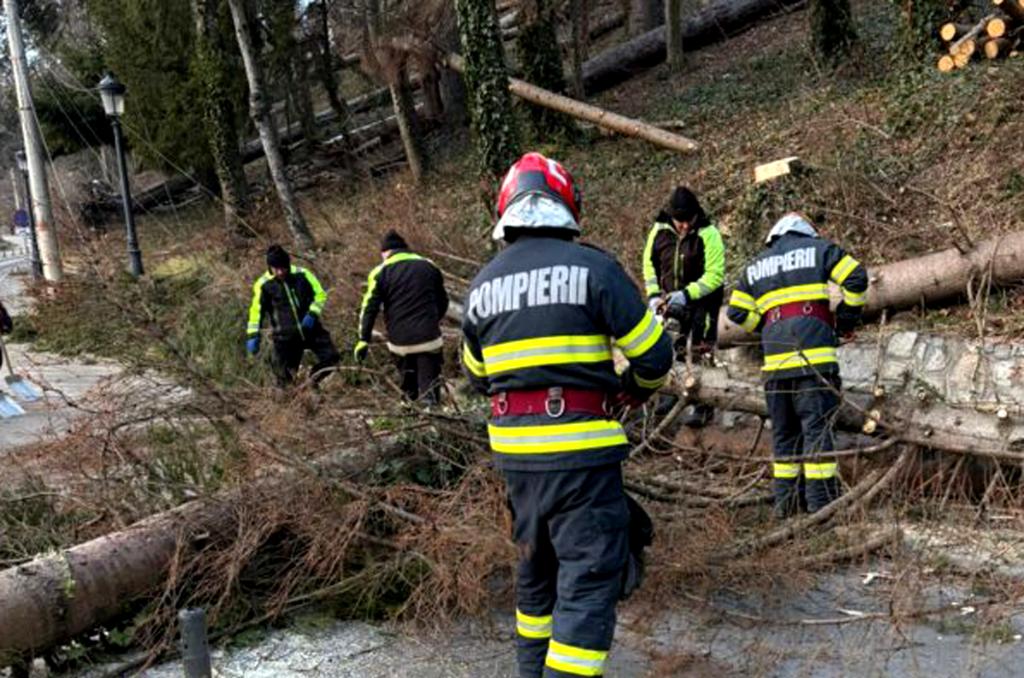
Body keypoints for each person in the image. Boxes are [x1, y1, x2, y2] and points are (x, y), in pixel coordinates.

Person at [461, 152, 673, 678]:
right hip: (581, 457)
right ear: (567, 207)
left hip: (517, 463)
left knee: (537, 576)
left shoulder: (481, 287)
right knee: (589, 579)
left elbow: (476, 375)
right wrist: (632, 392)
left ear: (506, 212)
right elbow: (654, 356)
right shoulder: (595, 269)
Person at [725, 213, 868, 518]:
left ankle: (785, 507)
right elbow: (856, 278)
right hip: (814, 361)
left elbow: (736, 311)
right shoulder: (819, 250)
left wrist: (766, 325)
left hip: (775, 366)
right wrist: (845, 321)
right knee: (817, 432)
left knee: (785, 435)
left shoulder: (756, 265)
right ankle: (820, 506)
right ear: (806, 233)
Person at [641, 186, 724, 425]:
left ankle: (704, 407)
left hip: (702, 303)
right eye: (680, 222)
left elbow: (715, 275)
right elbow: (649, 264)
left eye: (689, 221)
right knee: (670, 347)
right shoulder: (659, 231)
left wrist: (687, 294)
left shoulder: (709, 234)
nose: (685, 226)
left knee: (700, 349)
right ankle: (671, 393)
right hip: (668, 300)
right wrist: (654, 294)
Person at [355, 230, 449, 404]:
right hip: (429, 337)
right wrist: (433, 320)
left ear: (385, 253)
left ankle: (409, 411)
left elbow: (369, 308)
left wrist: (363, 339)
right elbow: (443, 301)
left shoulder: (380, 271)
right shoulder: (429, 265)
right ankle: (433, 413)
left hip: (400, 342)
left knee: (407, 384)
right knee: (430, 384)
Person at [246, 245, 340, 387]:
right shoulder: (263, 284)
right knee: (285, 381)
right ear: (269, 267)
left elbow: (320, 294)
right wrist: (253, 334)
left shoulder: (303, 274)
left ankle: (312, 381)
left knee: (332, 357)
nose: (280, 272)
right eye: (276, 268)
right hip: (285, 338)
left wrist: (312, 313)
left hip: (312, 330)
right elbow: (256, 311)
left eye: (283, 267)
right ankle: (294, 402)